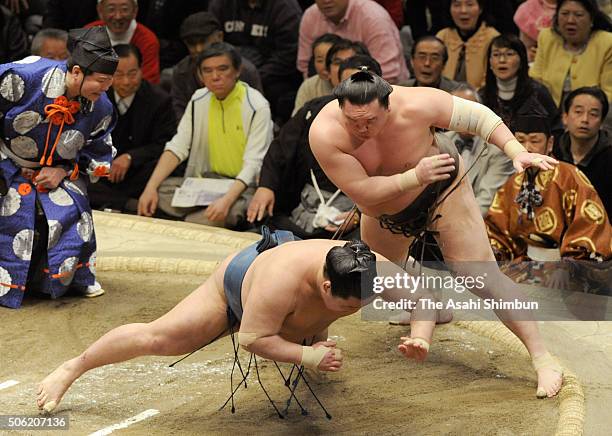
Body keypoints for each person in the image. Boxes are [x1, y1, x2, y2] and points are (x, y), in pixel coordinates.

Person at [309, 69, 564, 398]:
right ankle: (316, 342)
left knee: (478, 276)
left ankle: (542, 359)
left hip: (443, 189)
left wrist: (516, 151)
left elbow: (480, 118)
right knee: (363, 276)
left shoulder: (418, 103)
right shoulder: (324, 133)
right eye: (352, 121)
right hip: (386, 210)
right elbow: (364, 192)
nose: (362, 130)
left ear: (389, 106)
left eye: (370, 120)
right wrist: (414, 175)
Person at [37, 237, 442, 413]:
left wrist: (420, 337)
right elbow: (251, 337)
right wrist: (306, 354)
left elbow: (423, 299)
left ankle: (311, 339)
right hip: (241, 281)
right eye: (353, 303)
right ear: (324, 284)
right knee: (162, 337)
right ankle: (74, 367)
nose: (365, 306)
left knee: (311, 327)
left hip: (296, 301)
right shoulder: (280, 283)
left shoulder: (369, 269)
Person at [0, 26, 118, 309]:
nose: (104, 89)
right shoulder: (21, 78)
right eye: (100, 81)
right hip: (5, 164)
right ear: (77, 72)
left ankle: (64, 278)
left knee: (69, 211)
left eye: (108, 82)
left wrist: (64, 171)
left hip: (59, 171)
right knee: (13, 209)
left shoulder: (100, 107)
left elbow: (99, 153)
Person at [137, 43, 273, 230]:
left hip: (243, 188)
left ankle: (187, 223)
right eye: (207, 71)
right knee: (160, 191)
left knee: (239, 210)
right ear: (200, 76)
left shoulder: (257, 105)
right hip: (206, 182)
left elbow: (254, 163)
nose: (215, 77)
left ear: (237, 71)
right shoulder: (198, 99)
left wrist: (226, 201)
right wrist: (150, 188)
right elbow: (178, 146)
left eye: (222, 69)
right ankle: (201, 219)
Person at [249, 55, 382, 238]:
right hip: (309, 203)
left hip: (362, 210)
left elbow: (396, 180)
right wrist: (266, 186)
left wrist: (359, 216)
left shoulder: (391, 123)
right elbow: (281, 147)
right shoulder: (314, 111)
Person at [485, 106, 611, 291]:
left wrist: (567, 266)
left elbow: (591, 224)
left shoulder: (570, 176)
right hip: (524, 264)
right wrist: (493, 253)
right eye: (520, 141)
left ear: (550, 143)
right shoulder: (513, 183)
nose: (527, 147)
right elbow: (497, 228)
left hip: (565, 268)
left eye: (535, 141)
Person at [88, 44, 176, 213]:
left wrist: (130, 158)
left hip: (138, 171)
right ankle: (126, 203)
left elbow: (165, 143)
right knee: (78, 172)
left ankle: (112, 202)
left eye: (132, 74)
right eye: (118, 75)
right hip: (103, 170)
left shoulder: (160, 101)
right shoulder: (95, 98)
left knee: (161, 166)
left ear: (141, 70)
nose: (126, 82)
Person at [208, 0, 303, 123]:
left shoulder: (285, 7)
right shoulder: (220, 4)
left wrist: (252, 76)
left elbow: (288, 54)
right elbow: (210, 40)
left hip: (271, 76)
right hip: (228, 71)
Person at [170, 11, 262, 120]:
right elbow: (180, 117)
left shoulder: (245, 70)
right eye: (191, 43)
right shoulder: (181, 73)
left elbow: (257, 113)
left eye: (203, 41)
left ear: (220, 36)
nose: (198, 49)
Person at [298, 0, 409, 84]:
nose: (326, 0)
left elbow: (388, 74)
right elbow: (305, 66)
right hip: (326, 89)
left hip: (380, 92)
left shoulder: (373, 18)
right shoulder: (310, 16)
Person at [445, 84, 514, 216]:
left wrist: (454, 227)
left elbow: (486, 201)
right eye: (458, 110)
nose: (463, 116)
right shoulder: (440, 141)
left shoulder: (498, 150)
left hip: (477, 224)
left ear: (480, 112)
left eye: (468, 110)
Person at [529, 0, 612, 108]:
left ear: (591, 19)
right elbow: (535, 81)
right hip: (547, 115)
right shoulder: (547, 37)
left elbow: (608, 94)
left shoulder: (607, 43)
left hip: (590, 117)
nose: (570, 20)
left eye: (578, 15)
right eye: (564, 14)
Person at [480, 34, 560, 134]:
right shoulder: (482, 96)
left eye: (509, 54)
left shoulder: (538, 93)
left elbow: (556, 129)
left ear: (522, 60)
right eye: (496, 55)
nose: (502, 60)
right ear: (490, 62)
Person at [553, 87, 612, 220]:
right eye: (578, 112)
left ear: (602, 122)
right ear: (565, 117)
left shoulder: (609, 156)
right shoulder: (553, 152)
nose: (585, 119)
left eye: (593, 114)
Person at [86, 0, 160, 84]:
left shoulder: (147, 40)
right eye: (111, 9)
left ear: (135, 11)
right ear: (100, 11)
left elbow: (148, 82)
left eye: (124, 9)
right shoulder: (88, 34)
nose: (118, 16)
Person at [436, 0, 500, 89]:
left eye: (470, 4)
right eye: (457, 5)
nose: (463, 10)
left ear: (480, 8)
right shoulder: (442, 36)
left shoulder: (493, 38)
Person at [292, 33, 342, 115]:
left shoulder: (353, 86)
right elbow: (296, 122)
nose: (325, 66)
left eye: (330, 60)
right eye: (320, 60)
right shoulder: (308, 86)